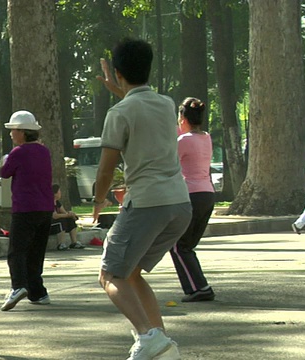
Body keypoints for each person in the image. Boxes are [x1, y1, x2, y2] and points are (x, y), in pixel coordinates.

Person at [93, 38, 191, 360]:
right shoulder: (166, 103)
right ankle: (161, 342)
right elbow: (140, 106)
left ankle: (148, 337)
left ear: (118, 73)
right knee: (131, 272)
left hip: (147, 202)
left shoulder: (118, 112)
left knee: (110, 274)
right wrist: (119, 88)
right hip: (180, 204)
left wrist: (98, 200)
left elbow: (106, 170)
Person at [0, 110, 53, 311]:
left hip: (25, 208)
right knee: (36, 252)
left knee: (17, 251)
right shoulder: (44, 151)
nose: (11, 134)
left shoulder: (18, 152)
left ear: (22, 132)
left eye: (13, 130)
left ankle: (18, 286)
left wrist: (5, 159)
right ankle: (38, 292)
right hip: (45, 208)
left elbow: (5, 173)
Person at [170, 97, 216, 303]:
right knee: (186, 245)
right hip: (207, 194)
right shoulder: (205, 137)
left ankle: (200, 288)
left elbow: (169, 159)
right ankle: (199, 286)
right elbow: (184, 137)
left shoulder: (184, 141)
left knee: (179, 245)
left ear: (182, 117)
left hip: (190, 195)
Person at [51, 184, 85, 251]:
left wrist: (70, 214)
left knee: (70, 220)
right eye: (59, 191)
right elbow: (54, 216)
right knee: (61, 221)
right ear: (55, 193)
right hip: (49, 225)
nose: (60, 193)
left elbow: (64, 213)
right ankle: (61, 244)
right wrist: (66, 215)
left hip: (56, 222)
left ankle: (74, 242)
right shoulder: (49, 202)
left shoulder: (57, 202)